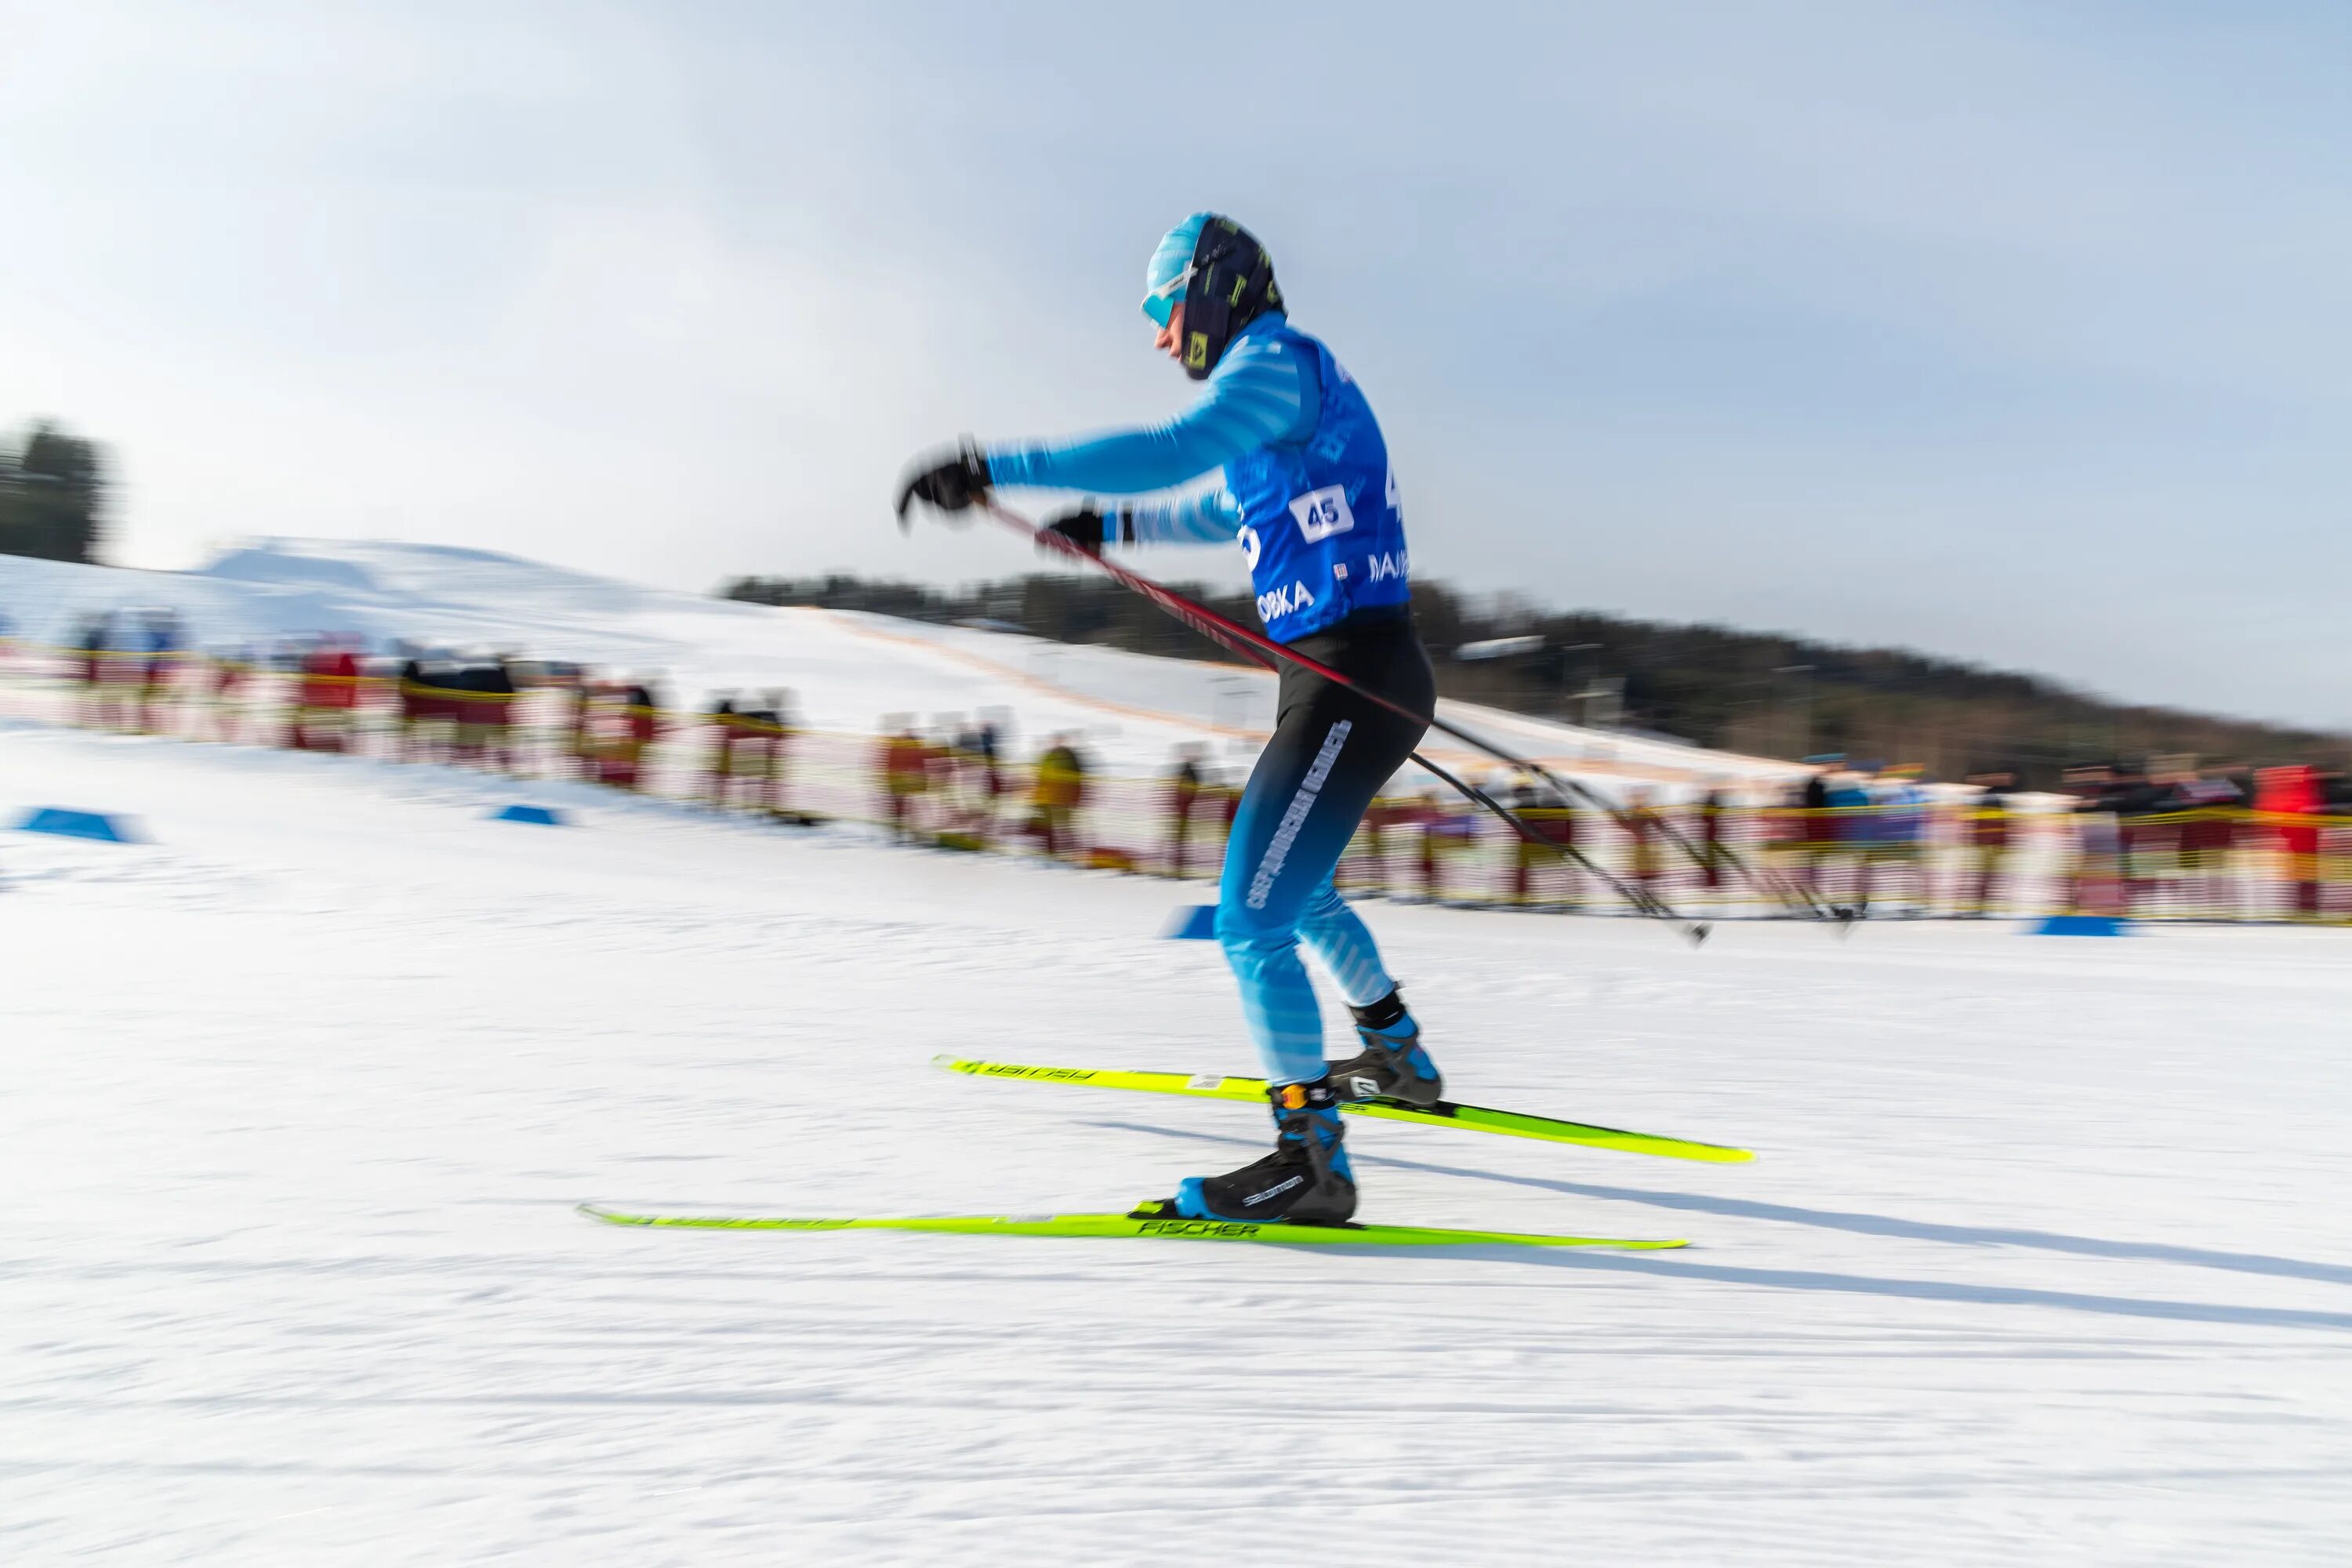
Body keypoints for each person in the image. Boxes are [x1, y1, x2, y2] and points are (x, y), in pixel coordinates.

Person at [897, 212, 1436, 1225]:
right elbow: (1225, 508)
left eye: (1163, 309)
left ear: (1212, 289)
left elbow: (1169, 449)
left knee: (1249, 920)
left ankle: (1309, 1160)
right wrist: (1113, 527)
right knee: (1297, 894)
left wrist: (993, 466)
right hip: (1345, 674)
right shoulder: (1278, 398)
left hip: (1349, 677)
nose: (1159, 334)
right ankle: (1399, 1057)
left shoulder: (1275, 365)